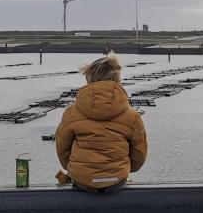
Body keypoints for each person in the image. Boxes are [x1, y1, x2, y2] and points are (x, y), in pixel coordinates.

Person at [54, 55, 147, 195]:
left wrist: (74, 168)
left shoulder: (71, 113)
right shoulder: (133, 117)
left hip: (82, 181)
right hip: (117, 181)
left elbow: (62, 148)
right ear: (118, 80)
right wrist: (125, 169)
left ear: (89, 80)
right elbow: (139, 154)